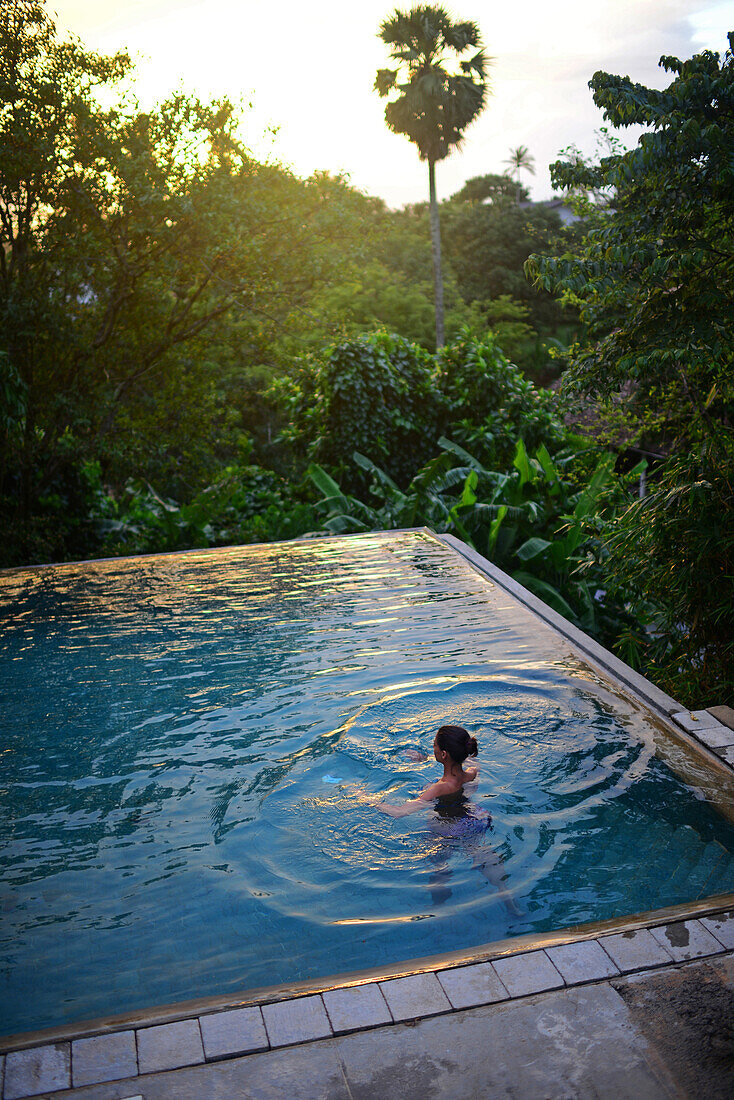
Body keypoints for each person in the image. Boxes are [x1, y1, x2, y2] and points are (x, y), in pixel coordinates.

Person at [377, 725, 522, 916]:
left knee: (439, 867)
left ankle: (439, 908)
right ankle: (508, 900)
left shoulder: (439, 788)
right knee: (485, 856)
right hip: (474, 820)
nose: (433, 747)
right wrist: (426, 759)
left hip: (446, 830)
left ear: (444, 754)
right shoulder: (469, 774)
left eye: (435, 745)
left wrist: (366, 799)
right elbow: (472, 762)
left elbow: (398, 812)